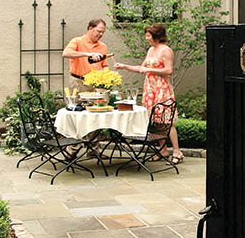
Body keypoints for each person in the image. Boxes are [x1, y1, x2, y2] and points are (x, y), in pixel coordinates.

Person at [114, 23, 183, 164]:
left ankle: (177, 151)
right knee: (156, 122)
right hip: (150, 89)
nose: (146, 38)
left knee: (167, 121)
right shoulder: (151, 50)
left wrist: (150, 71)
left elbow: (168, 70)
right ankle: (162, 150)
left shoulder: (166, 50)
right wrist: (124, 66)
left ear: (157, 36)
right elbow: (141, 68)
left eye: (148, 36)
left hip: (162, 89)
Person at [62, 18, 108, 93]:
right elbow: (65, 53)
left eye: (103, 32)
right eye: (99, 31)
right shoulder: (77, 41)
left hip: (96, 85)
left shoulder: (103, 46)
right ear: (90, 28)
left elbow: (104, 66)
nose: (101, 34)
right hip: (78, 83)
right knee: (77, 104)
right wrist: (88, 54)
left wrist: (107, 79)